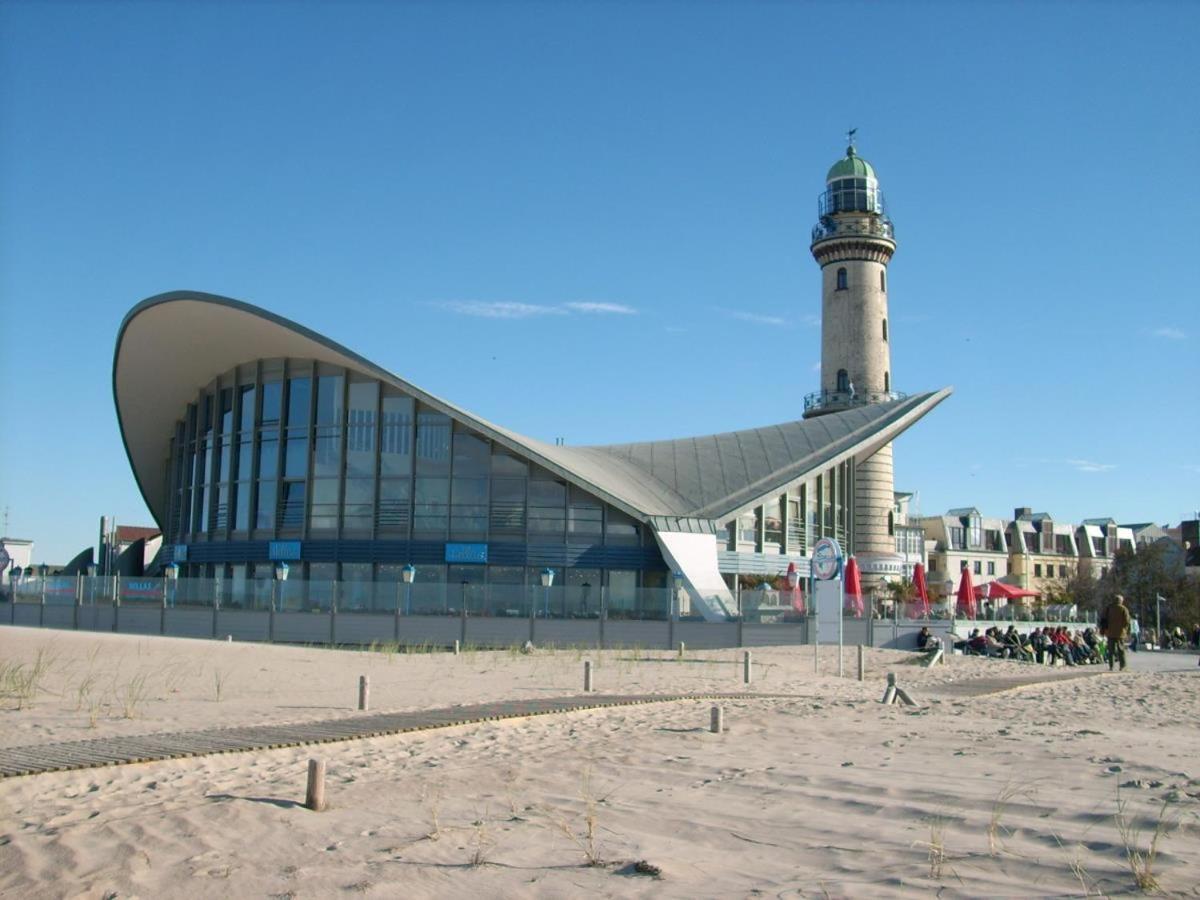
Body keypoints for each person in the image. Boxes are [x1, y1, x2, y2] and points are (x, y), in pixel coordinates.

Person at [1102, 594, 1131, 671]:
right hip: (1120, 633)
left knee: (1111, 651)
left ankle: (1111, 666)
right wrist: (1126, 630)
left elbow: (1103, 619)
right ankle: (1122, 666)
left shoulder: (1108, 608)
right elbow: (1127, 621)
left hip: (1110, 632)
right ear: (1121, 601)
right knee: (1121, 650)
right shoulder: (1123, 609)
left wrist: (1104, 630)